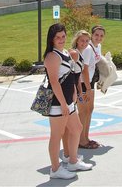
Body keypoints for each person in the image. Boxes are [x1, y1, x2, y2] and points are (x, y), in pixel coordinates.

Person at [43, 23, 92, 180]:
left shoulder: (64, 52)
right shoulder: (52, 56)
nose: (61, 39)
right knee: (56, 135)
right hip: (58, 104)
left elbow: (70, 75)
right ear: (51, 39)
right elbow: (54, 82)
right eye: (57, 37)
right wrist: (63, 104)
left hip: (68, 102)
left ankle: (72, 161)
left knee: (77, 128)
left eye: (63, 36)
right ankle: (55, 169)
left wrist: (75, 91)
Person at [61, 30, 91, 163]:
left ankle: (69, 155)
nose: (84, 43)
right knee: (69, 126)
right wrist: (75, 93)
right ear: (76, 40)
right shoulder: (73, 53)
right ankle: (68, 155)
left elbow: (77, 77)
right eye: (82, 40)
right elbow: (69, 75)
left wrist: (80, 93)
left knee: (73, 126)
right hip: (68, 91)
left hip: (73, 91)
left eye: (86, 41)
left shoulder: (80, 54)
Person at [77, 25, 106, 149]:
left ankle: (86, 137)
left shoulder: (98, 47)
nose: (98, 38)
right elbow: (84, 69)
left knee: (90, 109)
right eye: (96, 35)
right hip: (83, 83)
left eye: (101, 36)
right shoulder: (88, 48)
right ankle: (80, 140)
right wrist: (88, 89)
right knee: (83, 111)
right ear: (92, 35)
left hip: (91, 81)